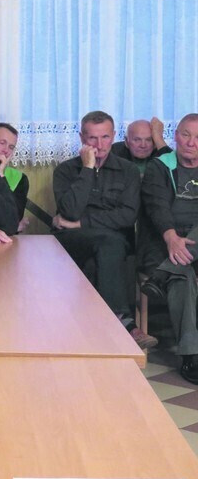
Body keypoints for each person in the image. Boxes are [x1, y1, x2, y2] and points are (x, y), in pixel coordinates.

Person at [52, 110, 155, 349]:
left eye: (105, 137)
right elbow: (70, 211)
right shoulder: (65, 170)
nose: (99, 145)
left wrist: (81, 222)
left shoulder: (128, 171)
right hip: (73, 241)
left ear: (114, 136)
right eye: (92, 138)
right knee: (108, 243)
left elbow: (127, 216)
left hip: (113, 241)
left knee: (101, 255)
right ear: (81, 138)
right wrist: (87, 169)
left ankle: (90, 337)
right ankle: (125, 323)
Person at [139, 114, 198, 381]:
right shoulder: (159, 166)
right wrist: (171, 237)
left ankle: (163, 273)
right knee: (182, 275)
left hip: (190, 243)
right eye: (186, 135)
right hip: (162, 244)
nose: (191, 143)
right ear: (176, 136)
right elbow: (157, 206)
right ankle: (191, 355)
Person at [0, 122, 30, 232]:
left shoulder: (19, 179)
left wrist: (0, 175)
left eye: (11, 147)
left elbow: (13, 220)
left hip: (3, 238)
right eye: (2, 143)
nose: (6, 150)